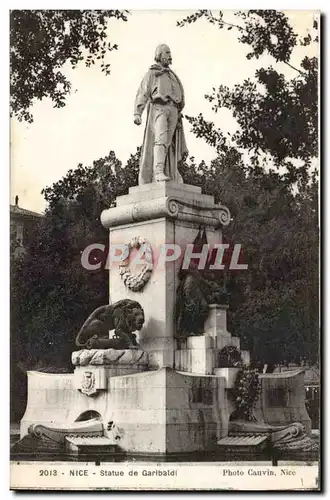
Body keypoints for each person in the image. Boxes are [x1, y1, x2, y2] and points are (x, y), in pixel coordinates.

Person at [134, 44, 188, 184]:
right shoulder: (152, 73)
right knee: (160, 139)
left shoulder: (172, 75)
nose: (170, 56)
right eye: (167, 53)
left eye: (170, 53)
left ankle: (169, 170)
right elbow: (143, 91)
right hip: (159, 108)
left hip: (174, 110)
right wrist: (137, 112)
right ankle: (158, 172)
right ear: (159, 55)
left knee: (168, 144)